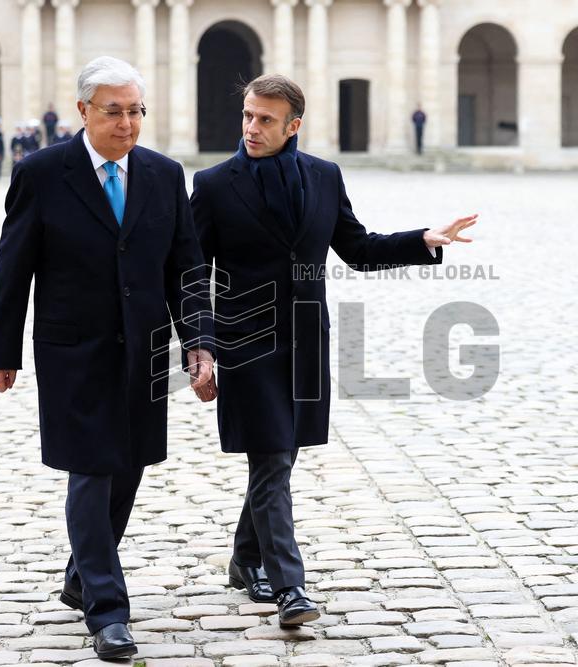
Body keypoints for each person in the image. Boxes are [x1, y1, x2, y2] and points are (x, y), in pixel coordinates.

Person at [189, 74, 477, 626]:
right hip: (246, 343)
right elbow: (193, 273)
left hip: (305, 340)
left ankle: (244, 558)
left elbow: (358, 248)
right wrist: (199, 346)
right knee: (271, 457)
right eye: (248, 115)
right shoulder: (214, 184)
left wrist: (423, 241)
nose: (252, 127)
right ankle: (289, 586)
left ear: (293, 125)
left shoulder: (323, 176)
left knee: (280, 457)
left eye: (265, 119)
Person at [0, 56, 214, 661]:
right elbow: (14, 268)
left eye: (136, 111)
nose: (128, 124)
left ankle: (81, 577)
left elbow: (186, 268)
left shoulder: (164, 175)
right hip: (72, 349)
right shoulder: (41, 173)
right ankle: (108, 611)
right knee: (91, 470)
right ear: (83, 111)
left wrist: (199, 342)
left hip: (143, 347)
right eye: (115, 111)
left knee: (129, 464)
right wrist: (0, 350)